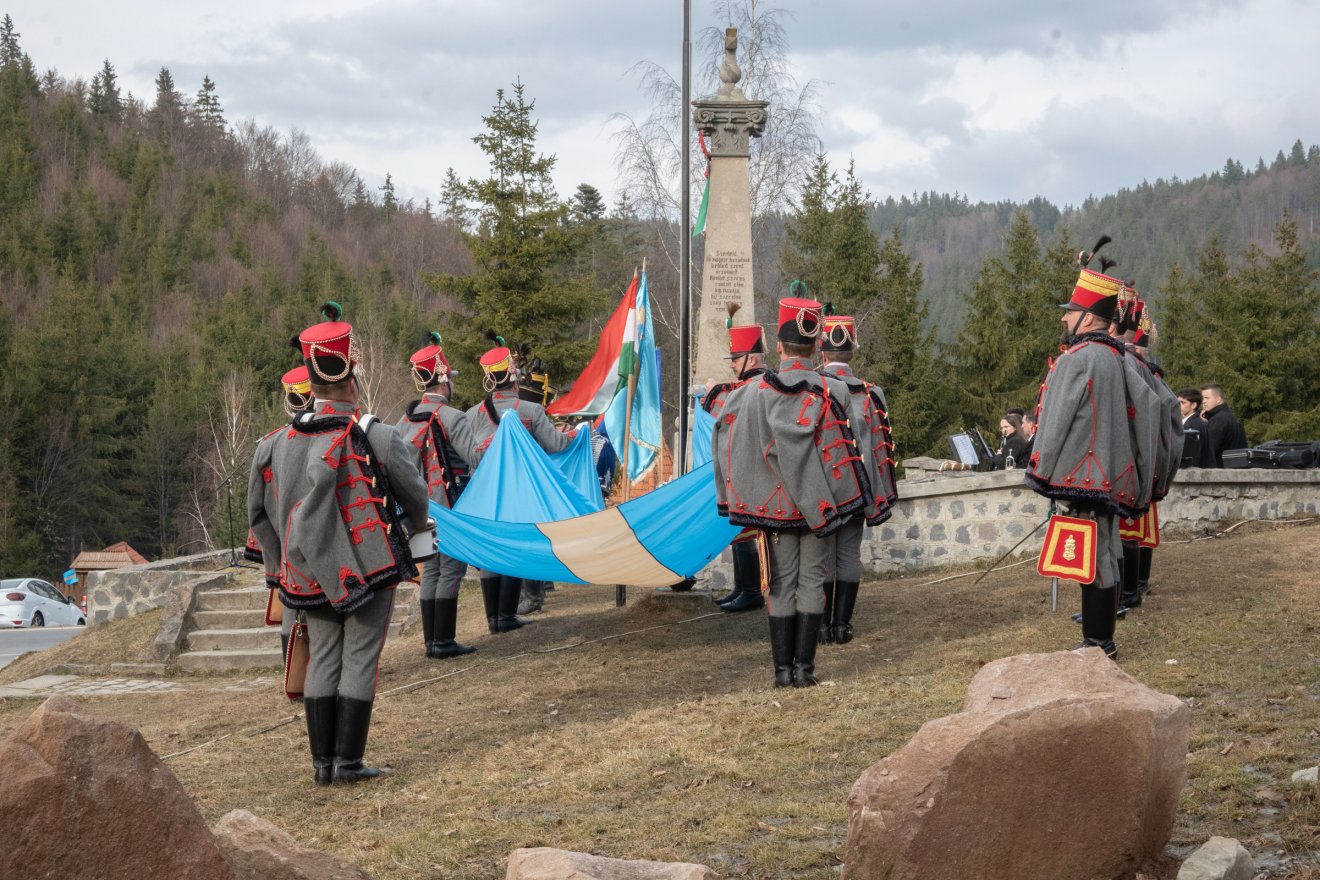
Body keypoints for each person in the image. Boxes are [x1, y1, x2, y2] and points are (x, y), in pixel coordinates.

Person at [248, 301, 431, 785]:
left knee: (323, 657)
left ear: (310, 377)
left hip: (306, 573)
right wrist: (414, 527)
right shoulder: (381, 436)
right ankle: (348, 763)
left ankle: (321, 765)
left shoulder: (275, 443)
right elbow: (416, 498)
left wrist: (281, 564)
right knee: (359, 658)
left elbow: (259, 515)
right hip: (367, 568)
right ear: (351, 376)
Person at [711, 293, 871, 687]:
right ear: (817, 346)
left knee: (780, 584)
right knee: (813, 581)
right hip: (819, 504)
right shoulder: (832, 391)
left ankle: (782, 673)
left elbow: (724, 437)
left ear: (778, 347)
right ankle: (805, 670)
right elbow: (842, 452)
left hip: (773, 507)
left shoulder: (750, 394)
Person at [1024, 242, 1159, 660]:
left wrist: (1040, 472)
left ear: (1087, 318)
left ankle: (1098, 643)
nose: (1064, 317)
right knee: (1107, 549)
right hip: (1115, 473)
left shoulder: (1078, 358)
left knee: (1094, 556)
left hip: (1084, 476)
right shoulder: (1122, 357)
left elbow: (1055, 422)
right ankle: (1101, 639)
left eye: (1070, 311)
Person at [467, 334, 576, 631]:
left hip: (485, 494)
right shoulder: (530, 411)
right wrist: (572, 436)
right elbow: (555, 445)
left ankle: (493, 618)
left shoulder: (473, 414)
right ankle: (506, 615)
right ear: (514, 377)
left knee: (490, 552)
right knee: (513, 548)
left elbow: (468, 454)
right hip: (519, 492)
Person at [397, 332, 480, 659]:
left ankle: (431, 642)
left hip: (416, 510)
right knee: (451, 569)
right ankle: (443, 641)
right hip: (448, 506)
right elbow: (473, 457)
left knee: (430, 569)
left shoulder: (404, 420)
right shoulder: (452, 416)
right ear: (443, 381)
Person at [817, 313, 898, 644]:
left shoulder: (814, 388)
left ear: (822, 354)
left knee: (823, 558)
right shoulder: (871, 392)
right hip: (860, 488)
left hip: (823, 488)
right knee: (849, 554)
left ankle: (821, 626)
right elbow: (882, 447)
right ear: (852, 353)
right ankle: (842, 626)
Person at [245, 361, 315, 668]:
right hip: (330, 549)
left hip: (286, 550)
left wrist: (276, 557)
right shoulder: (339, 435)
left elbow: (256, 511)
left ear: (289, 402)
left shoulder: (268, 445)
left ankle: (294, 673)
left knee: (291, 609)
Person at [700, 307, 769, 614]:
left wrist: (714, 392)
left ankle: (752, 590)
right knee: (740, 528)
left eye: (737, 359)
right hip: (747, 467)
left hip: (759, 470)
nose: (733, 367)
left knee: (747, 529)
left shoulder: (757, 385)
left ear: (752, 359)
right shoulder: (748, 385)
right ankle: (744, 587)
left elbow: (728, 414)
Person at [1200, 383, 1247, 467]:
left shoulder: (1218, 420)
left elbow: (1209, 451)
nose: (1203, 401)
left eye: (1207, 398)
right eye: (1202, 398)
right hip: (1234, 470)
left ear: (1218, 399)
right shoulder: (1228, 416)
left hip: (1221, 472)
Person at [1176, 387, 1212, 468]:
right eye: (1177, 402)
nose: (1178, 405)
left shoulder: (1192, 425)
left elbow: (1193, 456)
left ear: (1193, 405)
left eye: (1182, 402)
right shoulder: (1197, 421)